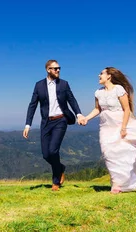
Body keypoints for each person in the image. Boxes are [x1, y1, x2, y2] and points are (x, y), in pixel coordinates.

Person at [23, 60, 86, 191]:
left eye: (59, 68)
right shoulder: (39, 85)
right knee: (46, 154)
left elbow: (72, 100)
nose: (58, 70)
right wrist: (28, 124)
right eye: (55, 68)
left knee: (53, 150)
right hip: (46, 122)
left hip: (61, 120)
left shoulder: (64, 84)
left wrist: (79, 114)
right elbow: (32, 105)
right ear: (48, 69)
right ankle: (60, 168)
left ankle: (56, 181)